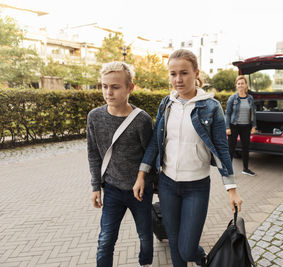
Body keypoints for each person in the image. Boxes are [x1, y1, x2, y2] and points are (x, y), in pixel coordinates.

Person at [133, 49, 242, 267]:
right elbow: (156, 142)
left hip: (197, 187)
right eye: (173, 74)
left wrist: (231, 189)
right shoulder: (166, 104)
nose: (178, 79)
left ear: (196, 73)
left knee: (186, 246)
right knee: (174, 243)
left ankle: (201, 257)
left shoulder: (211, 107)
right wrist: (141, 174)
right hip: (167, 184)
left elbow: (221, 149)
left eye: (184, 73)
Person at [87, 61, 153, 267]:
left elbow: (151, 154)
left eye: (115, 87)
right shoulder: (95, 117)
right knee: (105, 240)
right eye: (104, 86)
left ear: (130, 88)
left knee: (144, 236)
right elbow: (93, 154)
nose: (109, 92)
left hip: (139, 190)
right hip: (113, 189)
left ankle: (146, 263)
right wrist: (95, 186)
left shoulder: (142, 120)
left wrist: (144, 179)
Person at [225, 75, 257, 176]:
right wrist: (227, 127)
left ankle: (246, 169)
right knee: (231, 149)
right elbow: (228, 113)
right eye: (238, 84)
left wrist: (253, 126)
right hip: (234, 126)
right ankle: (228, 171)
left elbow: (253, 113)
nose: (240, 85)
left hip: (246, 126)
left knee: (246, 148)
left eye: (242, 83)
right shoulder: (232, 98)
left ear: (246, 85)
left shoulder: (250, 98)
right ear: (236, 86)